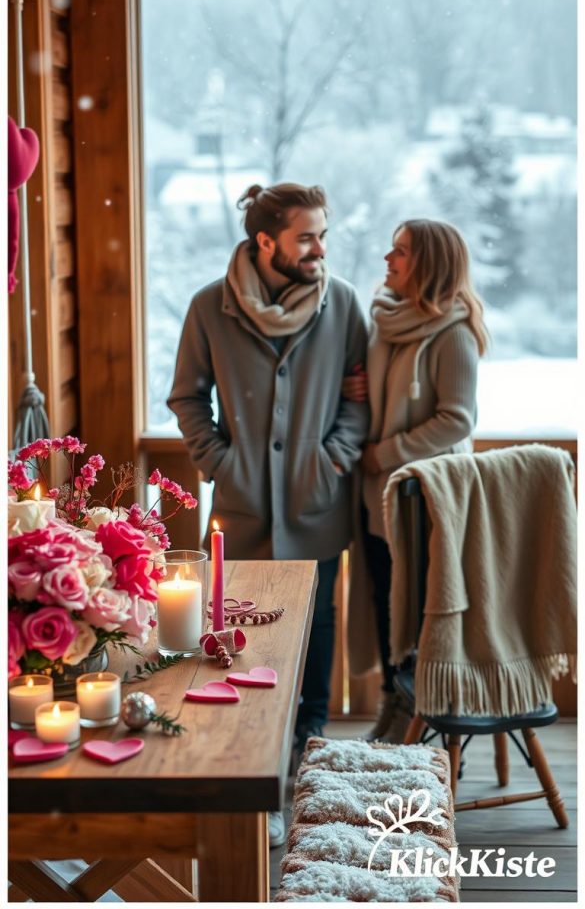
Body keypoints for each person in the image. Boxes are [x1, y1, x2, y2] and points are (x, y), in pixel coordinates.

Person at [168, 182, 369, 846]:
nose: (320, 248)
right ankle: (249, 793)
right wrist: (223, 462)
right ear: (265, 242)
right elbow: (187, 398)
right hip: (242, 513)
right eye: (306, 236)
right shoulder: (209, 307)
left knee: (313, 652)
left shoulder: (340, 305)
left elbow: (356, 401)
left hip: (316, 509)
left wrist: (333, 456)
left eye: (322, 234)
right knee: (239, 654)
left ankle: (310, 781)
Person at [344, 218, 488, 743]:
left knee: (424, 617)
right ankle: (394, 705)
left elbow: (458, 419)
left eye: (400, 252)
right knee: (387, 606)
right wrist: (356, 387)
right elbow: (378, 388)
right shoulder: (385, 320)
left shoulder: (454, 332)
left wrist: (387, 453)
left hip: (427, 500)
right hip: (380, 498)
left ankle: (430, 724)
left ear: (428, 264)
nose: (388, 258)